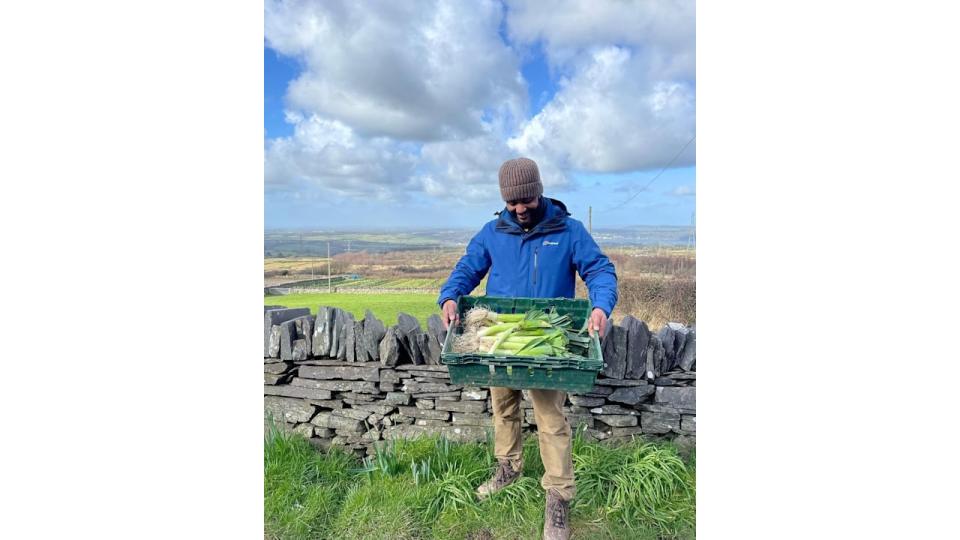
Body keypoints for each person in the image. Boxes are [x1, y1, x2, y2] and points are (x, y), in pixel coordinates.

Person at [437, 157, 618, 540]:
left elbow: (600, 270)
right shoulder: (492, 232)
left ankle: (558, 496)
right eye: (512, 203)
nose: (520, 209)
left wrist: (601, 305)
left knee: (551, 420)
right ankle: (509, 467)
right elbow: (468, 267)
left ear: (539, 192)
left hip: (545, 348)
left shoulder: (568, 231)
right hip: (498, 343)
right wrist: (451, 296)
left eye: (527, 201)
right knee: (502, 409)